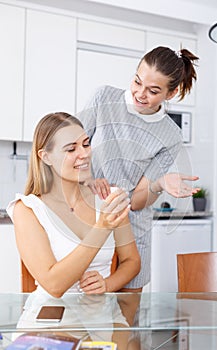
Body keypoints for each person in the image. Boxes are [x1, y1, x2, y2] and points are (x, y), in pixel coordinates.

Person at [78, 46, 200, 292]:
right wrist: (87, 178)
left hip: (134, 230)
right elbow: (71, 148)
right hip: (89, 219)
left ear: (171, 92)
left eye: (153, 91)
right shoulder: (104, 99)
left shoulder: (170, 135)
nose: (140, 94)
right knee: (86, 308)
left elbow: (137, 202)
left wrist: (159, 184)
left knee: (127, 318)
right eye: (137, 81)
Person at [6, 112, 140, 298]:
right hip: (51, 315)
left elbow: (131, 261)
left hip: (100, 313)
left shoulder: (109, 198)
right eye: (71, 149)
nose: (84, 154)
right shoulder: (27, 209)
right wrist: (102, 228)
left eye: (86, 144)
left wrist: (107, 285)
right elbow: (54, 286)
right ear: (46, 157)